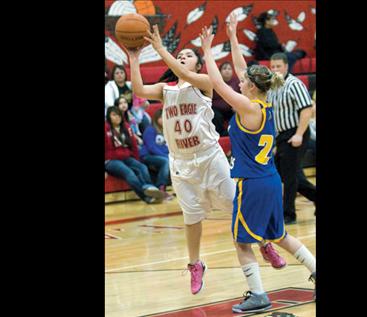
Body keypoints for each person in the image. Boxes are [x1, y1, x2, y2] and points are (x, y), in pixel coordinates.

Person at [127, 24, 285, 295]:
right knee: (191, 218)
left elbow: (185, 73)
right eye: (181, 55)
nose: (182, 57)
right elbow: (139, 90)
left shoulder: (204, 84)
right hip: (180, 162)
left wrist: (161, 48)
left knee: (237, 208)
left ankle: (263, 244)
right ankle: (195, 264)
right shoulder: (167, 89)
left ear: (199, 64)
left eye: (188, 55)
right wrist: (133, 57)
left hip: (210, 157)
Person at [199, 14, 316, 313]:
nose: (240, 80)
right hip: (268, 179)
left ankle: (258, 294)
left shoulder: (247, 107)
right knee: (279, 235)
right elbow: (241, 69)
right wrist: (233, 35)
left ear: (250, 87)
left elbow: (217, 81)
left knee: (241, 242)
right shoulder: (262, 103)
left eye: (244, 81)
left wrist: (208, 51)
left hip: (251, 184)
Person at [268, 52, 316, 224]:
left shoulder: (294, 84)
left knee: (289, 177)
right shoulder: (272, 87)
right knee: (289, 175)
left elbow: (306, 109)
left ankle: (289, 214)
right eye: (272, 67)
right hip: (281, 136)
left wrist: (298, 134)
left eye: (278, 66)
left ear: (286, 66)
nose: (275, 70)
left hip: (296, 132)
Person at [105, 106, 165, 204]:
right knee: (129, 173)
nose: (117, 117)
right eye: (114, 115)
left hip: (126, 157)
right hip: (110, 160)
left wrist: (137, 160)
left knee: (142, 167)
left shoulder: (126, 127)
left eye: (119, 115)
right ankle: (146, 197)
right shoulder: (105, 128)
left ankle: (152, 189)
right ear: (108, 116)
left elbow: (133, 145)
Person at [139, 108, 173, 200]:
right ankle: (161, 188)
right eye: (161, 117)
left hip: (162, 156)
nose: (163, 119)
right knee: (166, 161)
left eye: (165, 117)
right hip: (148, 156)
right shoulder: (150, 130)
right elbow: (151, 147)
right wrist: (166, 156)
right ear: (156, 119)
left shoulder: (168, 130)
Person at [212, 61, 240, 136]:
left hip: (231, 109)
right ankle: (222, 134)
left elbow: (241, 96)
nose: (227, 70)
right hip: (217, 110)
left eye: (229, 69)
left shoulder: (237, 82)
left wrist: (237, 106)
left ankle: (237, 132)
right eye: (224, 68)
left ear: (232, 71)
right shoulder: (215, 82)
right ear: (220, 72)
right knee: (215, 115)